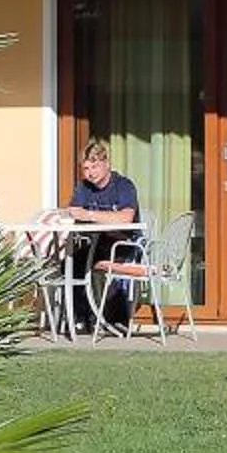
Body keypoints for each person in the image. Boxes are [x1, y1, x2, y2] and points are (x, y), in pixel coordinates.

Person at [61, 139, 140, 332]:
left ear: (107, 163)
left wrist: (90, 215)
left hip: (123, 244)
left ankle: (114, 319)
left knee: (94, 263)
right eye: (86, 168)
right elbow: (73, 211)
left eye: (94, 166)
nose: (90, 173)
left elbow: (126, 218)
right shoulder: (83, 188)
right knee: (70, 262)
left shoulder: (123, 186)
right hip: (93, 243)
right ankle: (81, 318)